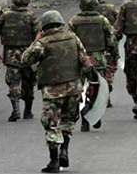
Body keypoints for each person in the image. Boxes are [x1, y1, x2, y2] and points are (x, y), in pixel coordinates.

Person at [21, 10, 98, 173]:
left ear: (45, 26)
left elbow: (25, 59)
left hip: (53, 91)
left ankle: (54, 161)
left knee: (51, 124)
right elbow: (86, 63)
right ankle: (65, 149)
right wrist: (92, 81)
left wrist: (36, 39)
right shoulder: (73, 38)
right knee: (68, 121)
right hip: (73, 89)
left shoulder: (43, 43)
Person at [68, 0, 118, 131]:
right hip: (98, 59)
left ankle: (84, 117)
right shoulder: (102, 20)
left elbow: (69, 41)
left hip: (80, 59)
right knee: (97, 88)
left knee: (81, 89)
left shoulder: (74, 21)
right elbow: (111, 39)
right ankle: (94, 112)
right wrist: (114, 54)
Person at [0, 0, 38, 122]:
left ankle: (16, 109)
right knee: (29, 82)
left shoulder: (5, 16)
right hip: (28, 54)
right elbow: (37, 35)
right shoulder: (31, 16)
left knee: (13, 82)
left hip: (11, 54)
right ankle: (28, 111)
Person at [92, 0, 119, 108]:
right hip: (109, 44)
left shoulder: (91, 10)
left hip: (95, 47)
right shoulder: (111, 8)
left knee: (98, 71)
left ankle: (100, 95)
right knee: (110, 69)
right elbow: (119, 24)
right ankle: (107, 91)